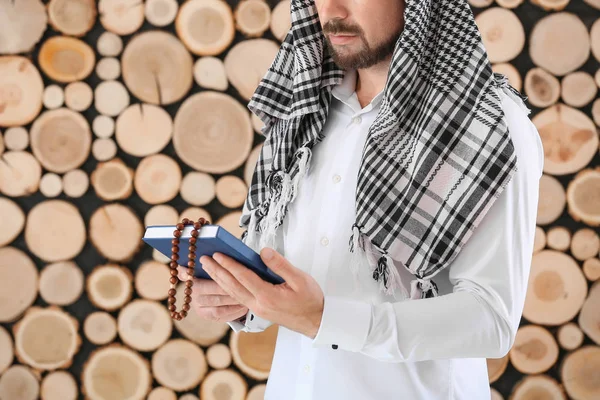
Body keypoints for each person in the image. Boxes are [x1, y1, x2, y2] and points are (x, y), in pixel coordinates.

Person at [180, 0, 544, 398]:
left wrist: (324, 319)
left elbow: (491, 321)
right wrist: (241, 296)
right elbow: (291, 279)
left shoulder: (489, 125)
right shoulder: (305, 115)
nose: (332, 10)